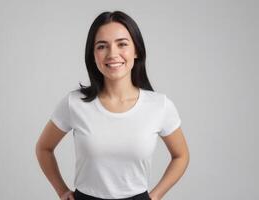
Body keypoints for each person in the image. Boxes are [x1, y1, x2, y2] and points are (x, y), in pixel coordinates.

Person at [35, 10, 190, 200]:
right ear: (93, 55)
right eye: (102, 46)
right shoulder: (75, 103)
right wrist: (61, 191)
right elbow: (43, 148)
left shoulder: (159, 106)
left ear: (136, 51)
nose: (112, 54)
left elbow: (181, 156)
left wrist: (155, 196)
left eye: (122, 44)